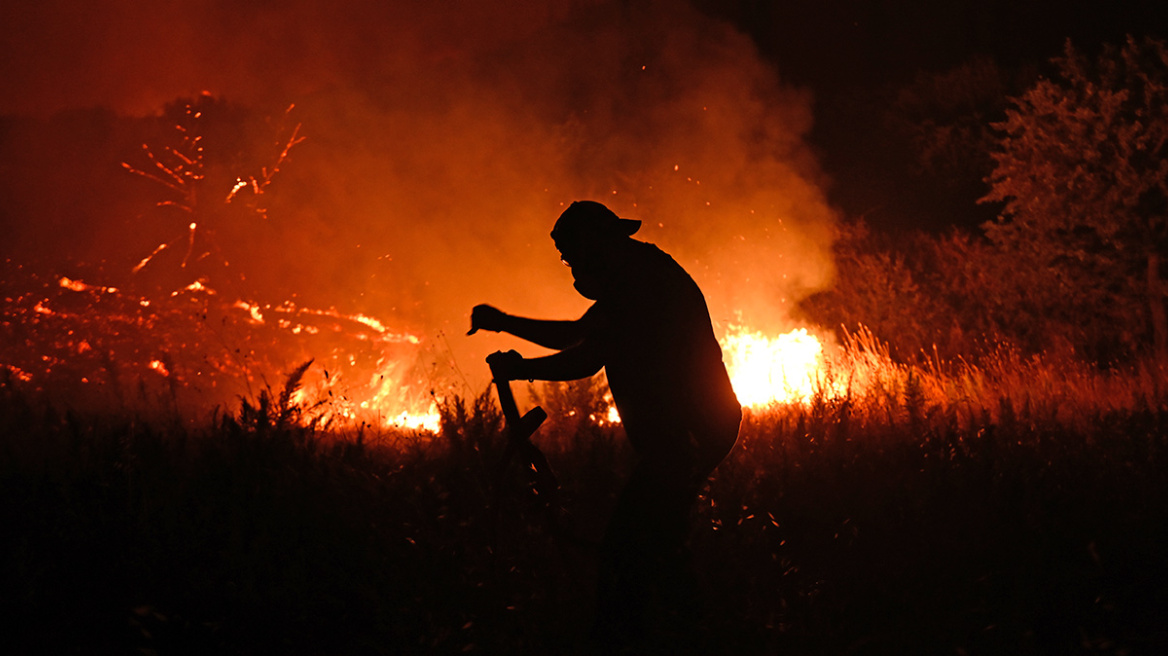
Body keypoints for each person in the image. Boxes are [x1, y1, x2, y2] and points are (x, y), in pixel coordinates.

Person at [469, 200, 742, 648]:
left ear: (594, 246)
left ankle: (623, 638)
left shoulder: (641, 284)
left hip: (690, 432)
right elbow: (579, 333)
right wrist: (504, 323)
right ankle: (689, 629)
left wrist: (521, 368)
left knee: (625, 548)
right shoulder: (634, 272)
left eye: (571, 257)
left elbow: (586, 358)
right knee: (660, 541)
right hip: (692, 430)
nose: (573, 269)